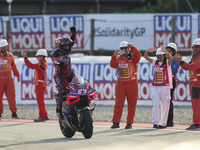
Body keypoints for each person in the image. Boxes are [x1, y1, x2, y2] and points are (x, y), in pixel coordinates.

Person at [110, 41, 141, 129]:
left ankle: (129, 123)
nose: (124, 50)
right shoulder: (117, 58)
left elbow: (138, 57)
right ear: (120, 50)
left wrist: (133, 48)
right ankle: (116, 122)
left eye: (126, 48)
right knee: (118, 104)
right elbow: (112, 65)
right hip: (121, 84)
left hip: (132, 83)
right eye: (122, 49)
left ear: (128, 49)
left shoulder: (133, 57)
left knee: (132, 104)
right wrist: (113, 56)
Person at [50, 26, 77, 120]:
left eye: (68, 46)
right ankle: (59, 112)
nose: (68, 47)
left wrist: (74, 34)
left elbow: (71, 42)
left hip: (71, 73)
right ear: (60, 47)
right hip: (61, 77)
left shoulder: (65, 51)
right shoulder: (56, 57)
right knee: (63, 96)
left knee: (79, 88)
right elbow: (57, 73)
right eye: (65, 46)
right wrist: (60, 87)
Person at [173, 38, 200, 130]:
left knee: (196, 104)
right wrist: (180, 62)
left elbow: (193, 67)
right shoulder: (194, 57)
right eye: (193, 47)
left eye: (196, 47)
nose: (194, 48)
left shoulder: (199, 57)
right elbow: (187, 68)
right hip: (194, 83)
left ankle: (197, 124)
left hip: (197, 84)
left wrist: (181, 61)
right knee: (195, 104)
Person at [144, 46, 173, 129]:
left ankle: (163, 123)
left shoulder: (167, 63)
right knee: (155, 105)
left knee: (165, 106)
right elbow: (146, 57)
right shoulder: (155, 62)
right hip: (155, 87)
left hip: (165, 87)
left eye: (162, 55)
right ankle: (155, 123)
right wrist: (147, 51)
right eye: (158, 55)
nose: (160, 57)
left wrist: (167, 52)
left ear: (164, 56)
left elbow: (171, 60)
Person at [21, 49, 49, 122]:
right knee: (41, 100)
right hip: (41, 83)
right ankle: (45, 114)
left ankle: (42, 116)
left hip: (40, 84)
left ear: (42, 56)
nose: (37, 58)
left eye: (38, 56)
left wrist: (25, 58)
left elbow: (31, 65)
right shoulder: (43, 63)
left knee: (40, 101)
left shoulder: (42, 63)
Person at [0, 39, 20, 120]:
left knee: (11, 96)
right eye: (2, 47)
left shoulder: (10, 55)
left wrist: (17, 74)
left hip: (9, 79)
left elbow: (13, 66)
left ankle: (14, 113)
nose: (4, 48)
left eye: (5, 47)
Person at [166, 43, 179, 127]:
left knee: (169, 101)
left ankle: (170, 121)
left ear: (174, 52)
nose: (167, 52)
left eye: (169, 51)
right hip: (163, 82)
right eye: (167, 51)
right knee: (163, 102)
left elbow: (173, 71)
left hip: (171, 81)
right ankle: (164, 120)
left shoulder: (175, 62)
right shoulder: (163, 59)